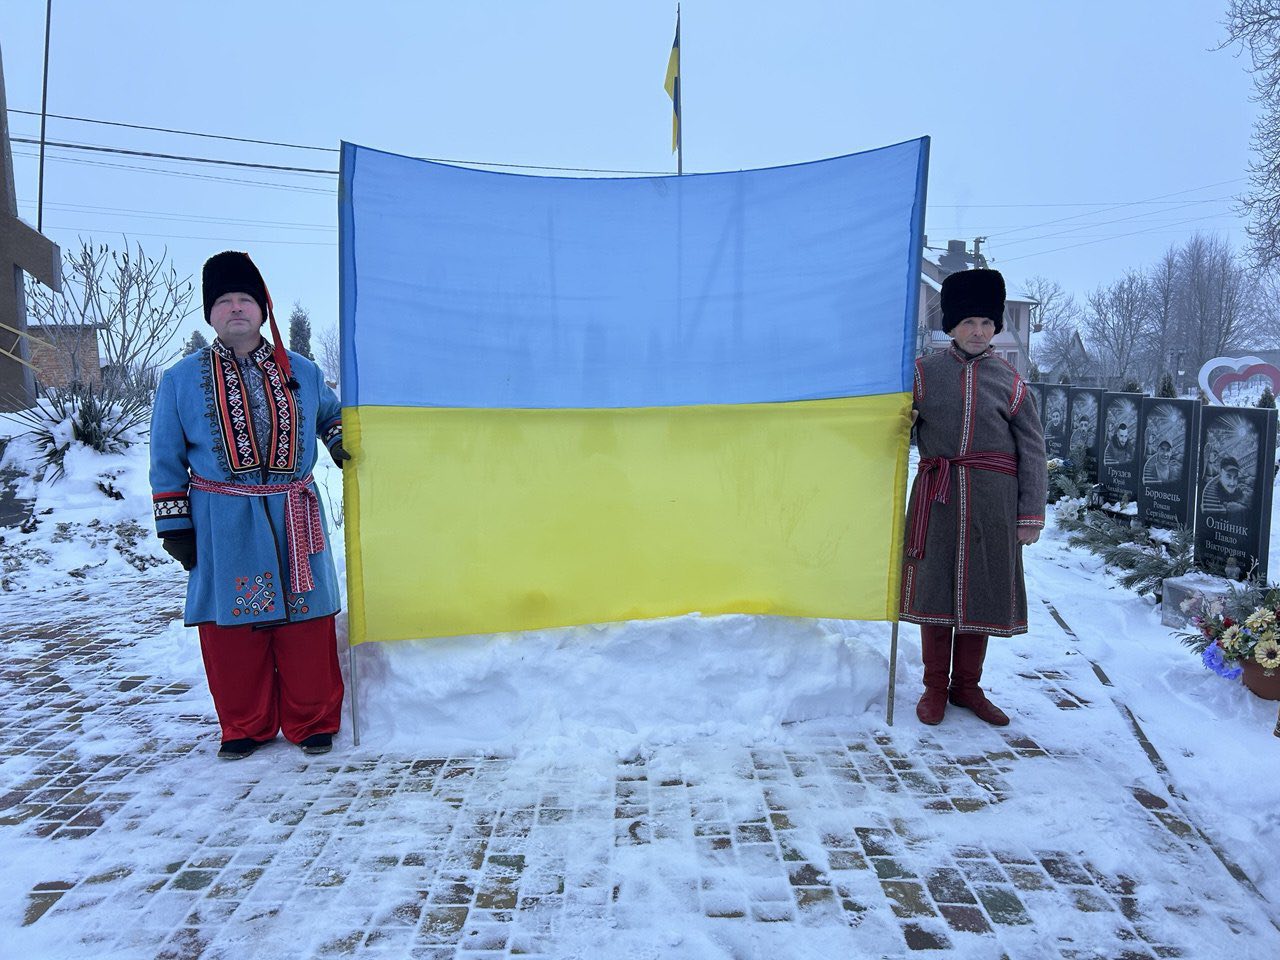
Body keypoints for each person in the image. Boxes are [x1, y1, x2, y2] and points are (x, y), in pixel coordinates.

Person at [150, 251, 351, 760]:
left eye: (245, 299)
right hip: (223, 518)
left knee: (307, 621)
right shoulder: (179, 381)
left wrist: (339, 441)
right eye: (224, 301)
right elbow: (165, 458)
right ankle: (244, 724)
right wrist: (175, 525)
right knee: (232, 626)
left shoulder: (302, 371)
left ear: (262, 309)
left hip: (294, 512)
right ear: (210, 314)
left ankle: (313, 720)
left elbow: (331, 415)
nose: (235, 308)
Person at [900, 268, 1047, 727]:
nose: (979, 331)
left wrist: (1030, 514)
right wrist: (898, 424)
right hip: (937, 499)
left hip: (992, 505)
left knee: (979, 593)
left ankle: (967, 687)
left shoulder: (1010, 382)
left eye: (986, 322)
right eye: (968, 322)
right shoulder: (923, 375)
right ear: (951, 326)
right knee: (936, 591)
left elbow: (1033, 450)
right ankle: (934, 688)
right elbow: (896, 430)